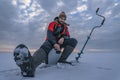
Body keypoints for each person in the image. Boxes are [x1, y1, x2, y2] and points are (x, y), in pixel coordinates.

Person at [25, 11, 77, 77]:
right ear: (59, 18)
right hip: (50, 41)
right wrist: (54, 43)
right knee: (45, 47)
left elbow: (68, 36)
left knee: (73, 41)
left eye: (64, 19)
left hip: (60, 42)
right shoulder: (52, 23)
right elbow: (49, 34)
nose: (62, 20)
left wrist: (63, 38)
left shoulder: (65, 27)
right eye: (61, 18)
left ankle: (62, 60)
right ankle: (30, 66)